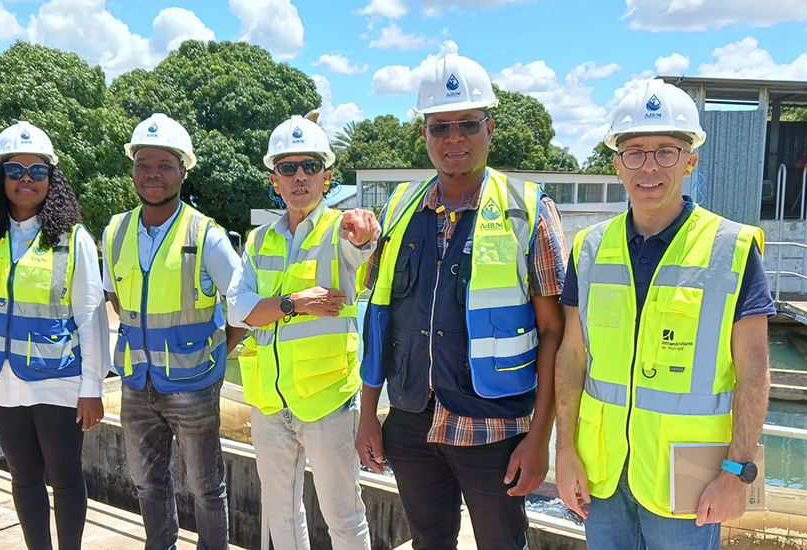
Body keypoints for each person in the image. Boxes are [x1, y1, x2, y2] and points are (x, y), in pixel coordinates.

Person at [355, 53, 569, 549]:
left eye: (467, 124)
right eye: (440, 127)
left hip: (494, 427)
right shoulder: (400, 209)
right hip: (410, 420)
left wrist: (540, 439)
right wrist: (370, 412)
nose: (454, 138)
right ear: (425, 135)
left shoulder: (528, 212)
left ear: (489, 128)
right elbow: (379, 317)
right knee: (429, 542)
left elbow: (556, 332)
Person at [553, 79, 775, 550]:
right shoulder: (589, 248)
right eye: (634, 152)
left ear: (691, 160)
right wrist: (565, 449)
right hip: (603, 474)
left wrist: (738, 472)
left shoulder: (730, 248)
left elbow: (754, 371)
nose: (648, 166)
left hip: (689, 479)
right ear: (617, 164)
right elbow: (572, 355)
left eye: (666, 151)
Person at [0, 120, 110, 550]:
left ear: (51, 179)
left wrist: (92, 387)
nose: (26, 179)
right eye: (14, 170)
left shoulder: (72, 240)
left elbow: (90, 317)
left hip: (59, 379)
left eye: (38, 171)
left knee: (65, 475)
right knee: (22, 475)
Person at [228, 115, 377, 550]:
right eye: (288, 168)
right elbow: (239, 310)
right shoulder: (258, 241)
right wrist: (296, 304)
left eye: (310, 166)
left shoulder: (340, 231)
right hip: (269, 401)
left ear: (327, 177)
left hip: (327, 399)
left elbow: (363, 249)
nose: (299, 176)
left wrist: (365, 234)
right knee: (280, 517)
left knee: (344, 517)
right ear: (275, 179)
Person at [102, 113, 243, 550]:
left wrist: (216, 352)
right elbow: (116, 296)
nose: (152, 174)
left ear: (183, 170)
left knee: (206, 487)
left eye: (164, 165)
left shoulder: (206, 234)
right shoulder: (115, 230)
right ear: (132, 170)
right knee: (148, 483)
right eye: (143, 164)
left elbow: (242, 307)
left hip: (195, 384)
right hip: (135, 383)